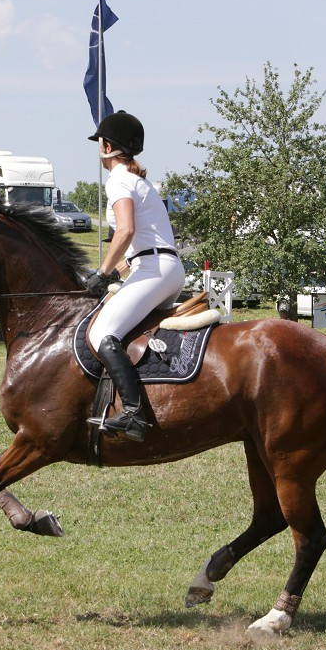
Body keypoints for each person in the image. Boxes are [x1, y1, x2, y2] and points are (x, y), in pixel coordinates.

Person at [83, 111, 185, 442]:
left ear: (107, 146)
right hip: (164, 268)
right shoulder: (140, 181)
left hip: (155, 270)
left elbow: (125, 230)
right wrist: (114, 274)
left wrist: (101, 272)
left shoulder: (119, 181)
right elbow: (137, 249)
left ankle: (133, 413)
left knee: (102, 333)